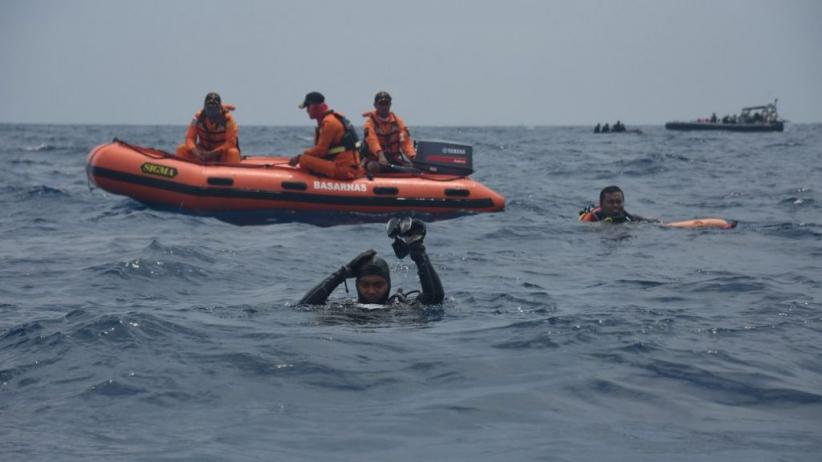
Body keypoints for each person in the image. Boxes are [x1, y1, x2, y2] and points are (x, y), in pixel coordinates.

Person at [298, 218, 444, 306]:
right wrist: (340, 274)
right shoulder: (345, 308)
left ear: (389, 284)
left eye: (379, 285)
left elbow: (435, 298)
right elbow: (304, 307)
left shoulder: (399, 308)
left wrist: (419, 253)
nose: (371, 291)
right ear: (356, 284)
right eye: (365, 285)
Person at [289, 92, 363, 180]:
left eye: (308, 107)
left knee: (304, 160)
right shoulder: (331, 119)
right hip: (348, 167)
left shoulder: (329, 123)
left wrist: (299, 157)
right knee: (306, 158)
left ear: (315, 107)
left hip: (345, 170)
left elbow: (320, 151)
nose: (307, 110)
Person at [361, 91, 416, 176]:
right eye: (381, 104)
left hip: (393, 159)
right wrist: (381, 156)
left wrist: (413, 157)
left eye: (386, 104)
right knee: (373, 167)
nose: (384, 107)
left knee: (413, 168)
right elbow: (372, 141)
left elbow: (406, 143)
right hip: (375, 159)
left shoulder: (398, 122)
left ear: (390, 105)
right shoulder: (370, 123)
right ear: (375, 105)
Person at [176, 92, 241, 163]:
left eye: (214, 109)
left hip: (221, 153)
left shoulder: (228, 119)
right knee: (181, 149)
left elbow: (231, 143)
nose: (212, 113)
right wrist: (196, 152)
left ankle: (230, 171)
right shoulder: (198, 117)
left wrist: (211, 154)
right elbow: (190, 138)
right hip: (203, 151)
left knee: (233, 153)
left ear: (219, 108)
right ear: (205, 108)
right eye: (209, 109)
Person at [578, 185, 650, 223]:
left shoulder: (628, 217)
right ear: (601, 204)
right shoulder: (591, 219)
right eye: (610, 202)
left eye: (619, 202)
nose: (615, 205)